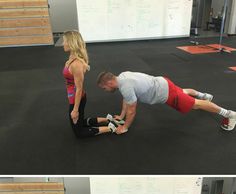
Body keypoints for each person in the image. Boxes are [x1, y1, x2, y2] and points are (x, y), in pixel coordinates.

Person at [97, 71, 236, 134]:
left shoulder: (125, 86)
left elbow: (132, 109)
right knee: (183, 91)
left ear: (109, 82)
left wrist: (125, 127)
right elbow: (126, 99)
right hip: (162, 81)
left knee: (195, 104)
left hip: (166, 94)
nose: (105, 90)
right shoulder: (122, 76)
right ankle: (205, 95)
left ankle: (230, 114)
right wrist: (121, 117)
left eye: (104, 88)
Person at [62, 31, 122, 138]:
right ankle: (108, 119)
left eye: (65, 41)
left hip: (77, 99)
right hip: (75, 97)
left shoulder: (76, 64)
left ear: (72, 43)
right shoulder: (72, 58)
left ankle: (110, 128)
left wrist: (75, 110)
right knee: (81, 122)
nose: (63, 44)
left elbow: (79, 89)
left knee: (79, 133)